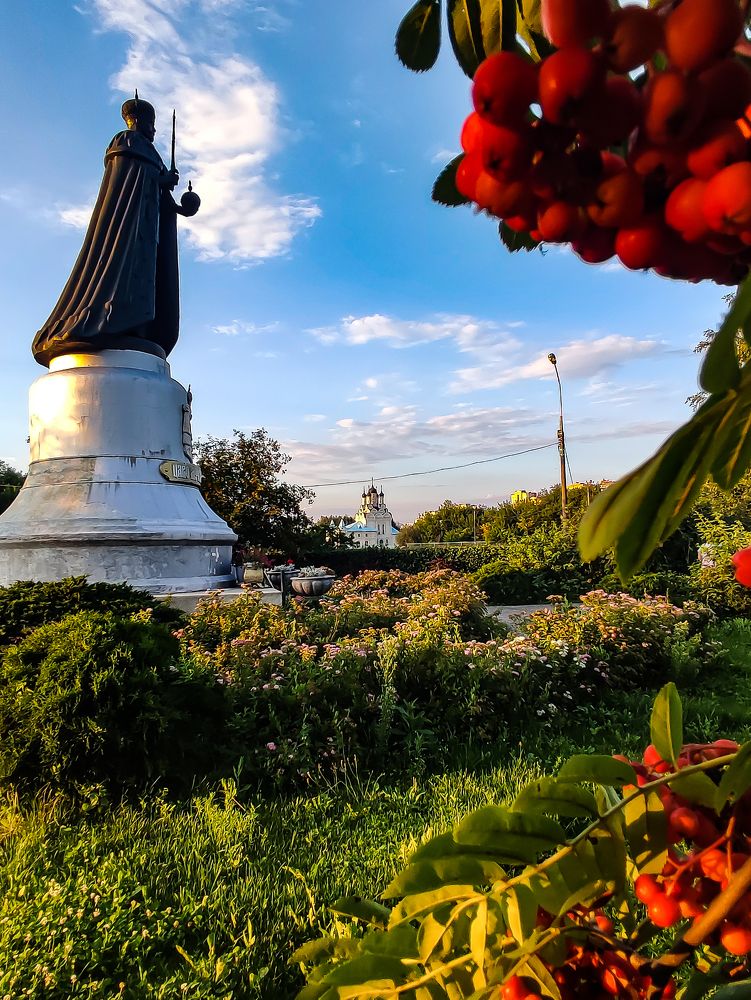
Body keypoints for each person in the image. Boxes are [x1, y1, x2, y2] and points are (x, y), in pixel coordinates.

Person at [32, 95, 191, 367]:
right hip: (127, 228)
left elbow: (159, 192)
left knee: (146, 277)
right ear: (137, 120)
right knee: (124, 271)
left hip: (147, 227)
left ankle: (138, 327)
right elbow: (130, 179)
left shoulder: (149, 152)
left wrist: (178, 202)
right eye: (151, 123)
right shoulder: (126, 141)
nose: (154, 130)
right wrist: (159, 178)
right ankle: (113, 322)